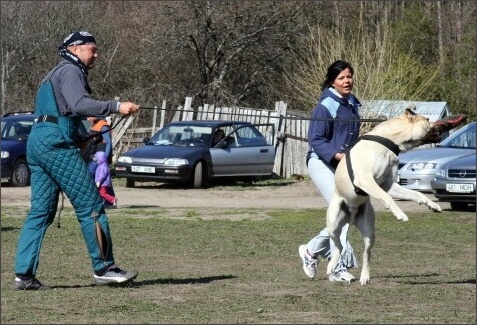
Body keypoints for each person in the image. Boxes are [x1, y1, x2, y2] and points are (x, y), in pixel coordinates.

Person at [13, 31, 140, 290]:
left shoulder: (52, 74)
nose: (96, 54)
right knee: (91, 206)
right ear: (75, 48)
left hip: (38, 142)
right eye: (92, 49)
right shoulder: (70, 71)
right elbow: (79, 103)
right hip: (55, 145)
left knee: (41, 212)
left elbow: (57, 115)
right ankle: (105, 268)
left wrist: (84, 135)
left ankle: (23, 276)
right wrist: (117, 106)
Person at [298, 60, 360, 283]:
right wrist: (338, 155)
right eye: (342, 77)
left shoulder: (352, 103)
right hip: (320, 162)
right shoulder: (326, 105)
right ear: (333, 81)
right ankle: (337, 268)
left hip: (341, 165)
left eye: (349, 76)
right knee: (341, 210)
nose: (347, 81)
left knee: (345, 214)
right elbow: (316, 139)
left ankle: (312, 251)